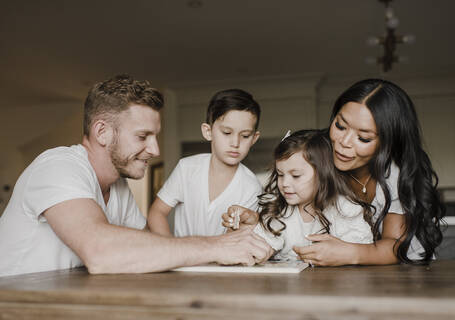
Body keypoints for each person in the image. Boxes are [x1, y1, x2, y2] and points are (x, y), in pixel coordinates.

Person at [0, 75, 271, 276]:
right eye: (142, 136)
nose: (154, 149)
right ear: (102, 132)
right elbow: (100, 251)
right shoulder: (57, 166)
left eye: (155, 136)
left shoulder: (118, 189)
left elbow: (152, 247)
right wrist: (216, 247)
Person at [224, 79, 445, 266]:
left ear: (388, 142)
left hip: (407, 269)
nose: (343, 143)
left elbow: (395, 245)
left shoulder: (394, 173)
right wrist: (260, 221)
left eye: (364, 138)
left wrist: (349, 252)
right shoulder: (322, 154)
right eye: (340, 126)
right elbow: (297, 209)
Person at [148, 89, 262, 237]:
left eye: (245, 136)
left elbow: (238, 238)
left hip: (224, 259)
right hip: (181, 259)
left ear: (254, 138)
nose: (235, 143)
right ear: (208, 132)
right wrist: (173, 249)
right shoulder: (187, 168)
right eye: (227, 133)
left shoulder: (252, 187)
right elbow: (157, 213)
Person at [251, 129, 373, 261]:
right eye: (280, 174)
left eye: (296, 176)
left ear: (323, 175)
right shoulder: (278, 209)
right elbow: (260, 246)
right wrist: (259, 251)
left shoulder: (345, 209)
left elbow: (360, 250)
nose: (285, 183)